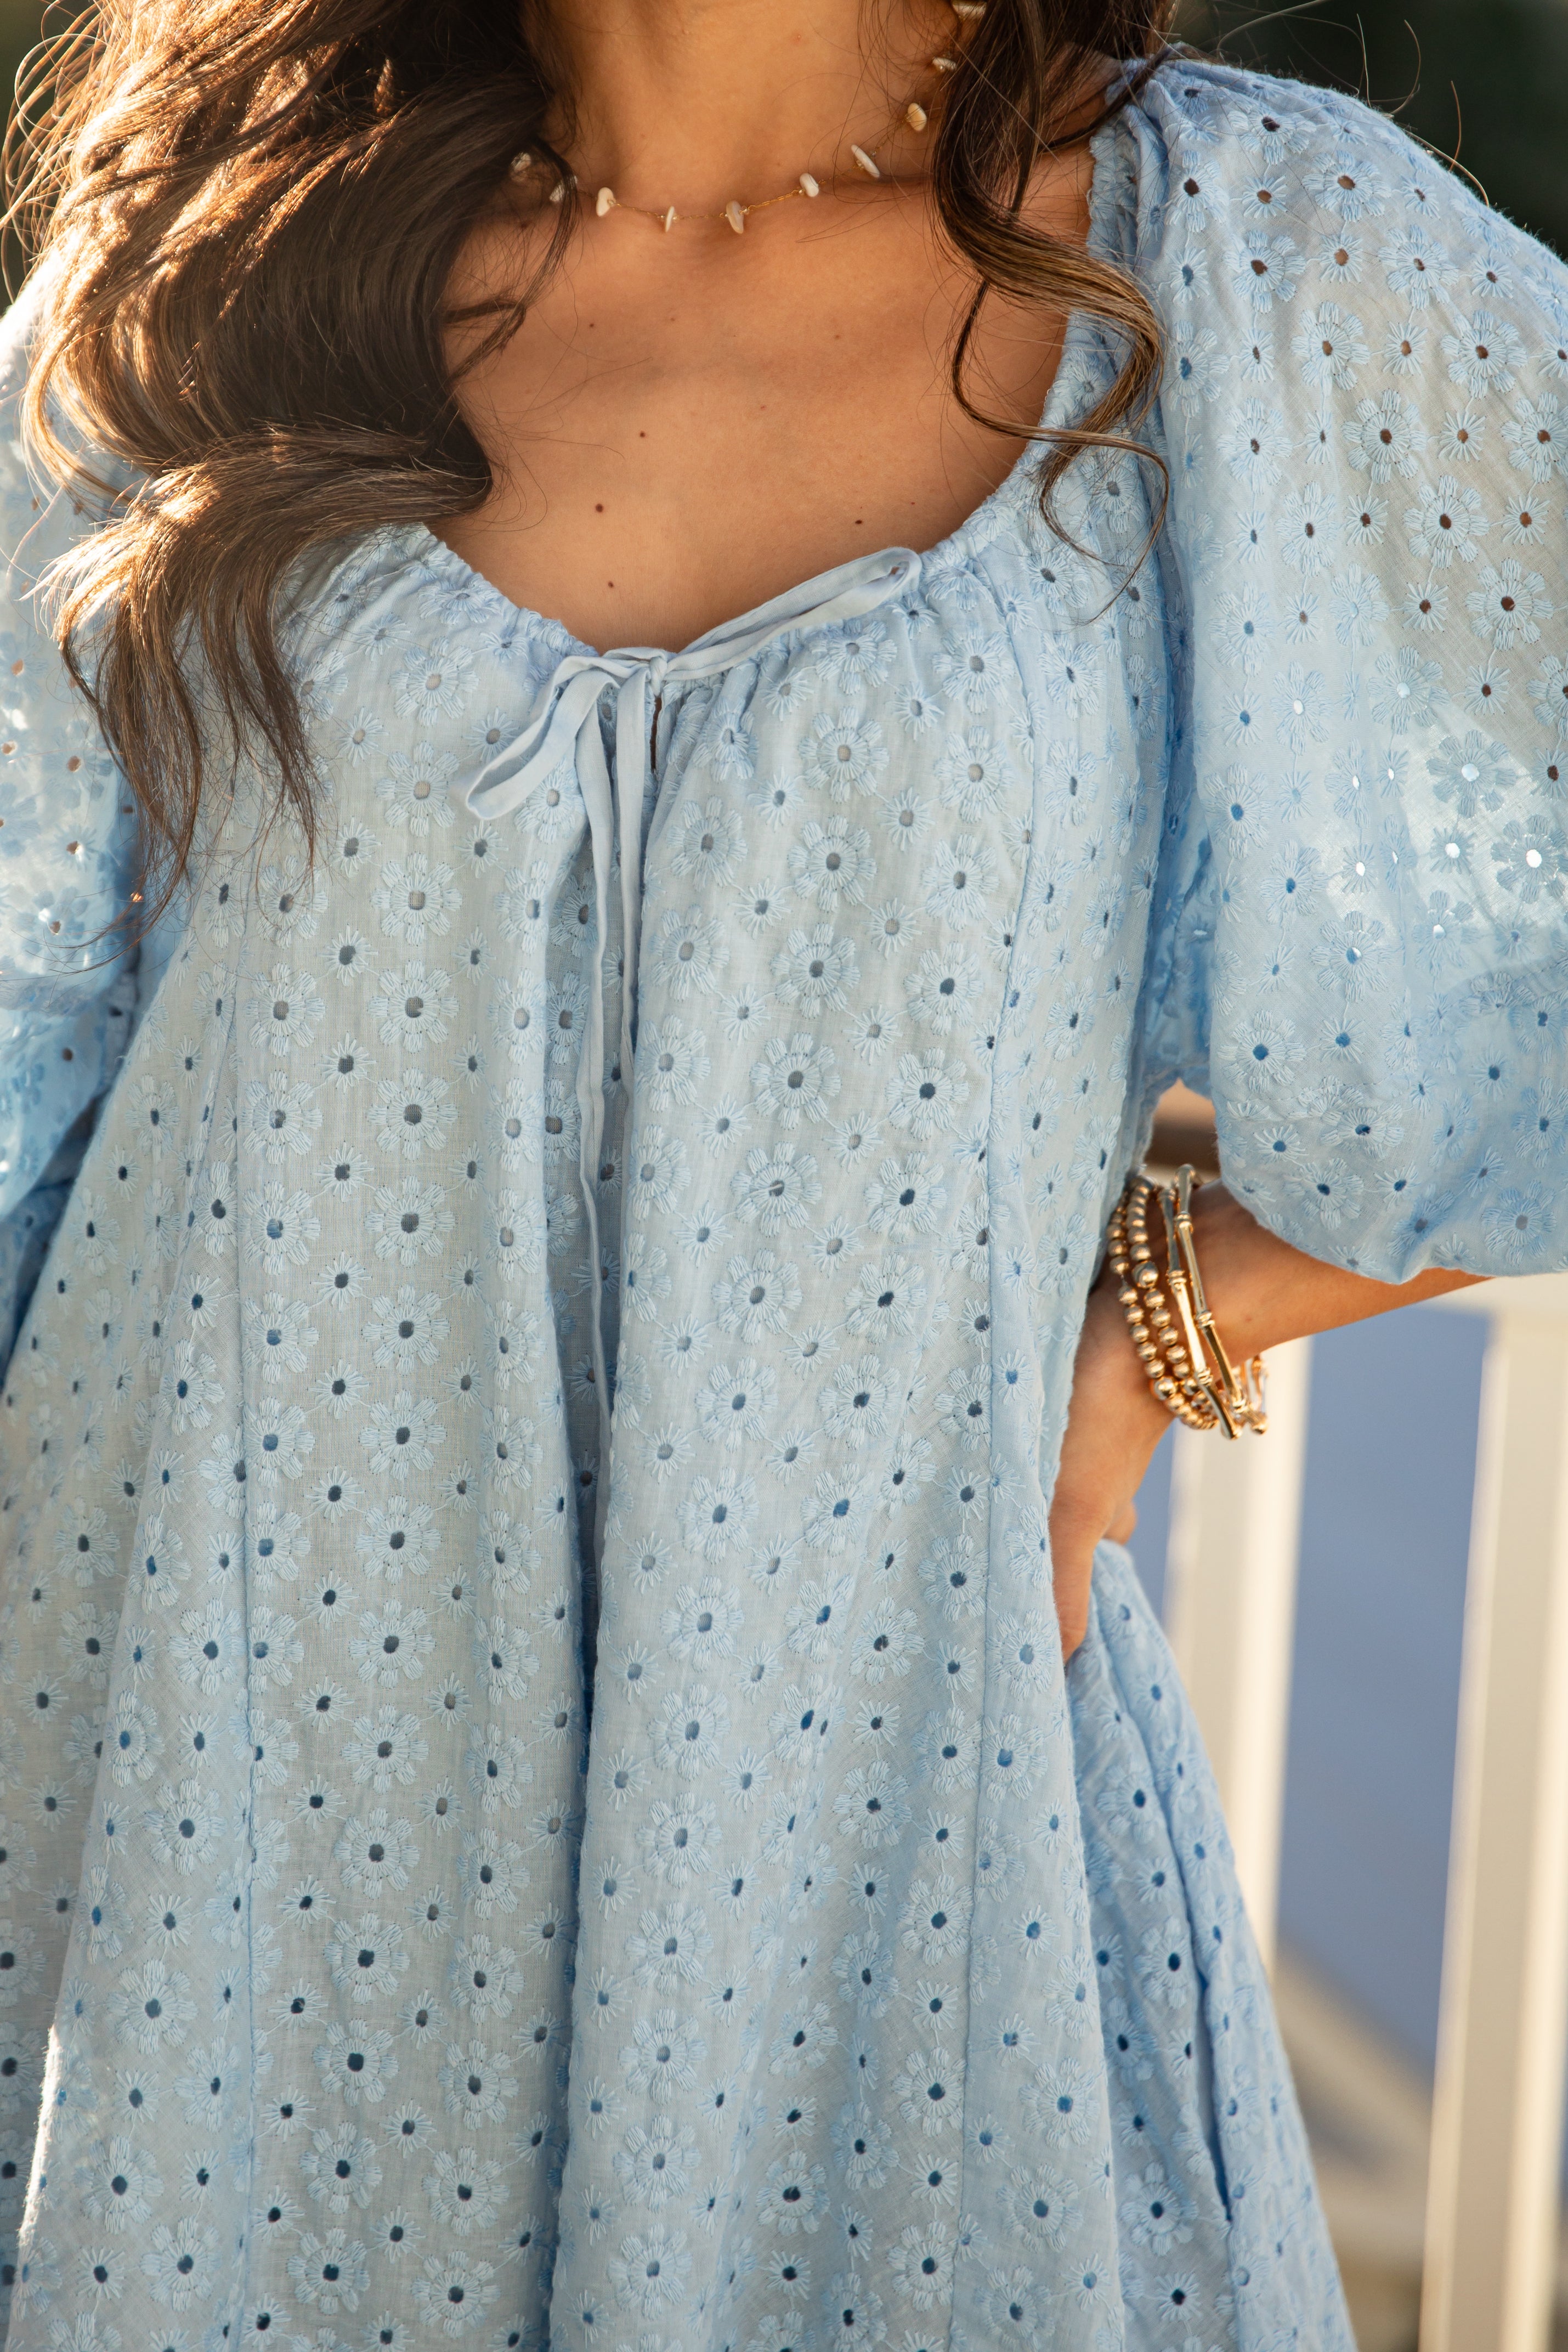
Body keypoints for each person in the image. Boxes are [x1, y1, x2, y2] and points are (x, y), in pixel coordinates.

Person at [0, 0, 1560, 2342]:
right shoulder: (207, 265)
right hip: (218, 1831)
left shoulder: (1246, 257)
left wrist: (1174, 1312)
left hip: (871, 1837)